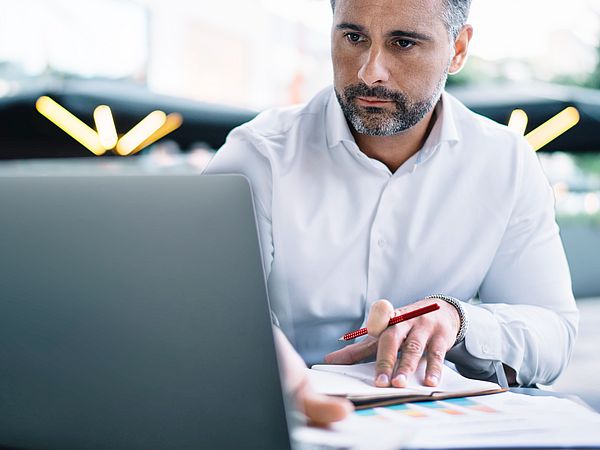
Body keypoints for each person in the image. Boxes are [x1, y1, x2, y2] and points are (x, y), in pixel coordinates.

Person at [205, 0, 579, 424]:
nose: (369, 72)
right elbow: (207, 312)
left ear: (458, 49)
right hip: (285, 417)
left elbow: (553, 334)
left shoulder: (506, 162)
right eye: (353, 38)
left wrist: (459, 320)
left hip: (437, 424)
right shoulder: (257, 156)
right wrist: (287, 382)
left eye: (403, 43)